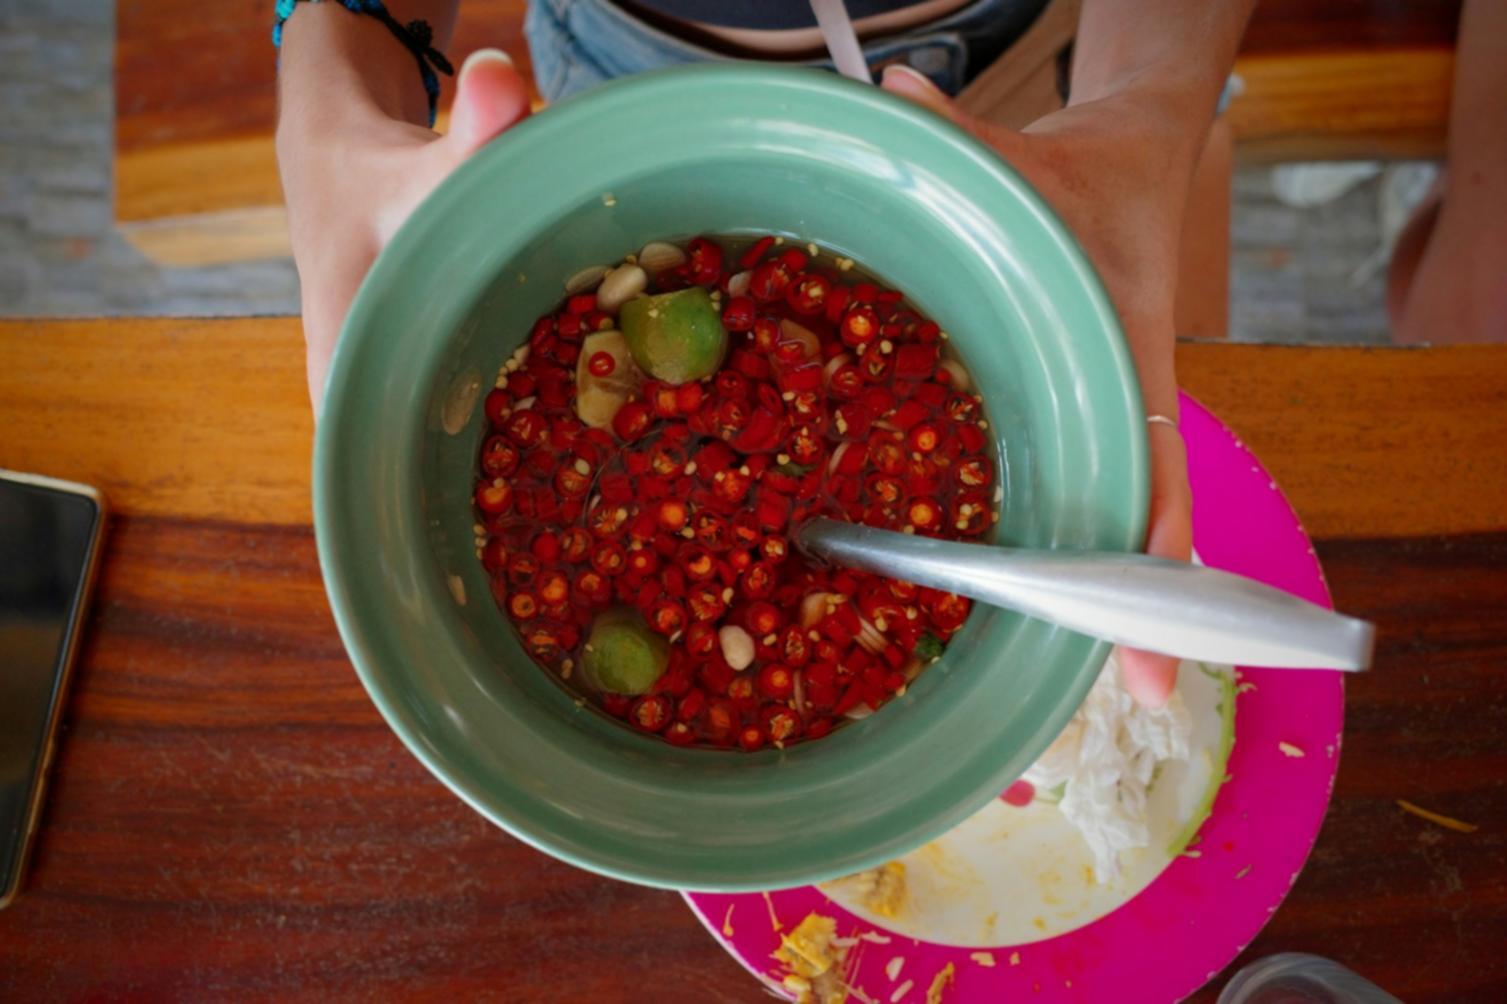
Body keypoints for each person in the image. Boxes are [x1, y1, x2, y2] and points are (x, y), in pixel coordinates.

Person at [276, 0, 1260, 708]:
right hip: (625, 70)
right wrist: (329, 86)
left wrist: (1149, 110)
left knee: (1190, 414)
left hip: (1037, 87)